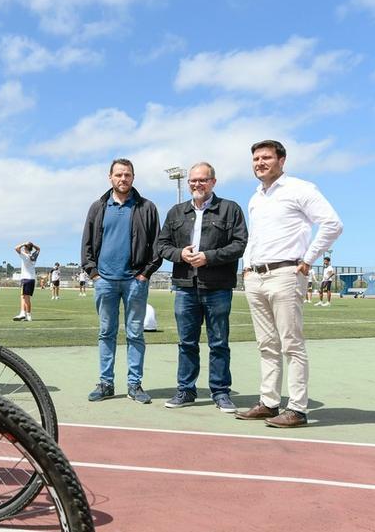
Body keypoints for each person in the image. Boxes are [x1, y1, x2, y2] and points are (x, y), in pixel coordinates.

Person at [236, 140, 342, 428]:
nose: (260, 163)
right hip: (256, 276)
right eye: (256, 158)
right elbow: (255, 236)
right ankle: (269, 402)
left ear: (281, 160)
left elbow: (332, 224)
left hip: (285, 274)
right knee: (266, 344)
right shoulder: (256, 197)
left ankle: (297, 408)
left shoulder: (301, 189)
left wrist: (307, 259)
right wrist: (246, 267)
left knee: (291, 344)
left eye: (266, 157)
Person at [155, 162, 247, 413]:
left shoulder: (230, 209)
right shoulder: (176, 212)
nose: (197, 184)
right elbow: (161, 245)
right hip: (185, 287)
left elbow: (240, 244)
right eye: (193, 180)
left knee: (219, 342)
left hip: (217, 287)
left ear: (213, 182)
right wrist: (179, 254)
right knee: (186, 342)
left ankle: (220, 392)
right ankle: (186, 389)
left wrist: (209, 256)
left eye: (202, 180)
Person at [80, 158, 161, 404]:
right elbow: (86, 245)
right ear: (110, 177)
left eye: (127, 175)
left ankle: (134, 385)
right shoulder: (98, 206)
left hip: (135, 281)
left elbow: (156, 246)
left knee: (135, 333)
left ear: (133, 177)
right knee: (106, 333)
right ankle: (106, 383)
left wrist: (145, 273)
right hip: (105, 281)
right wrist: (94, 273)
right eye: (118, 175)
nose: (123, 179)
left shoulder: (146, 207)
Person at [13, 241, 39, 321]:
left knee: (25, 298)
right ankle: (23, 313)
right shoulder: (33, 256)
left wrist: (24, 243)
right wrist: (31, 244)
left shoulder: (25, 255)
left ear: (26, 248)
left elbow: (16, 248)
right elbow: (38, 249)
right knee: (24, 297)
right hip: (32, 279)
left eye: (24, 247)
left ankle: (27, 315)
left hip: (26, 279)